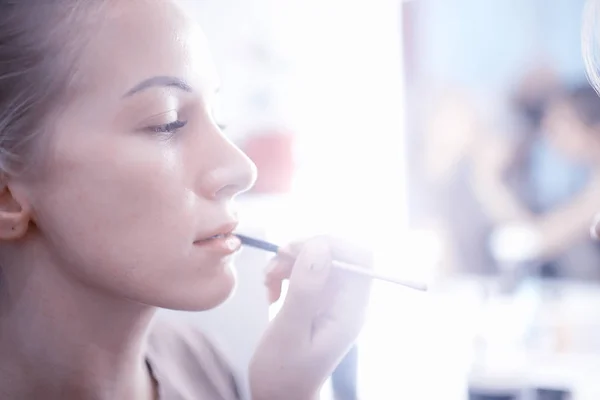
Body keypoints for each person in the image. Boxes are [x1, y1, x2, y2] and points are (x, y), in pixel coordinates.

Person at [0, 1, 372, 400]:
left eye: (219, 118)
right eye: (167, 121)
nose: (242, 169)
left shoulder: (202, 367)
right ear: (7, 197)